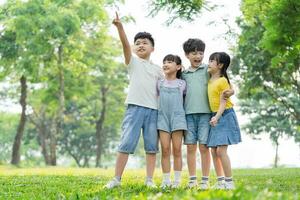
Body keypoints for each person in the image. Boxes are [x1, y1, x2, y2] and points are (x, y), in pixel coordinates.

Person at [105, 12, 164, 189]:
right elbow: (125, 45)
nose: (140, 45)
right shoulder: (133, 62)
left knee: (151, 147)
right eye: (137, 43)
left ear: (152, 48)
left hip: (153, 111)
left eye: (145, 43)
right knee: (126, 143)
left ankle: (150, 180)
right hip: (134, 109)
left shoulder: (158, 70)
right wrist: (120, 28)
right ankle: (116, 179)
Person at [181, 39, 234, 189]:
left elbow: (224, 79)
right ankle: (192, 179)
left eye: (200, 53)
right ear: (187, 55)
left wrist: (232, 90)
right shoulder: (183, 74)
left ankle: (204, 180)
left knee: (204, 147)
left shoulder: (208, 69)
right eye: (194, 53)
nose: (198, 56)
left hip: (206, 114)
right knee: (190, 147)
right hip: (188, 114)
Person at [207, 52, 242, 190]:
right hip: (215, 115)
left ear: (220, 65)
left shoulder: (222, 81)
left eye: (211, 61)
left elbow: (223, 102)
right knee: (213, 151)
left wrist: (216, 117)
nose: (208, 63)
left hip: (225, 115)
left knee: (221, 151)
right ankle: (220, 181)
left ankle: (229, 182)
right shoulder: (210, 78)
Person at [157, 54, 187, 189]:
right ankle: (166, 180)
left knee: (177, 149)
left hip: (178, 118)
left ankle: (177, 181)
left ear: (178, 67)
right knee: (165, 149)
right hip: (162, 117)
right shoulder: (159, 83)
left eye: (169, 62)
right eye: (164, 62)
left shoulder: (182, 84)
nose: (165, 64)